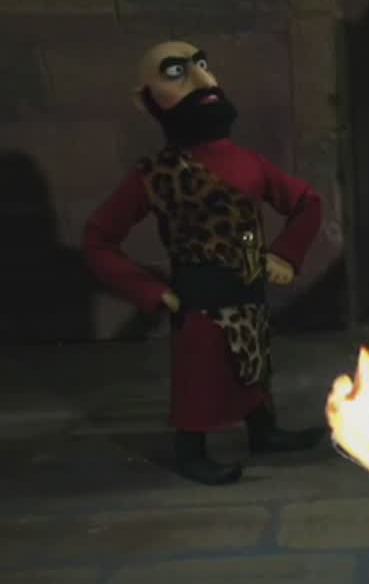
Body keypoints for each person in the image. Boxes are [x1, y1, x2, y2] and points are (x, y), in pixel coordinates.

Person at [83, 41, 327, 485]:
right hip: (198, 295)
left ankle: (263, 430)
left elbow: (307, 202)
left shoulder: (249, 163)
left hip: (250, 289)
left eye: (201, 65)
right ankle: (191, 450)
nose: (203, 80)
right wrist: (150, 290)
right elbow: (99, 238)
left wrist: (285, 253)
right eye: (176, 72)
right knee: (198, 375)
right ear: (146, 100)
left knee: (255, 363)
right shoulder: (155, 174)